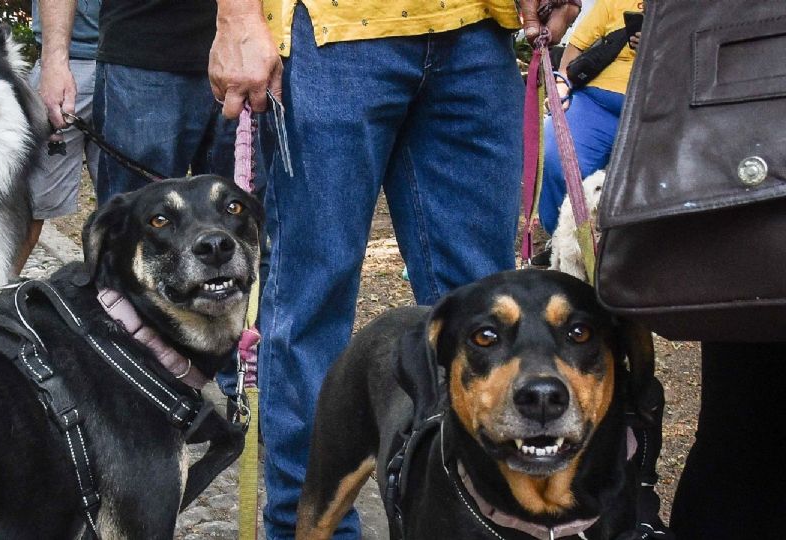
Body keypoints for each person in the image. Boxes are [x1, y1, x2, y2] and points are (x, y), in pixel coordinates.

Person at [209, 1, 580, 537]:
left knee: (488, 319)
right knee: (311, 303)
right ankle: (308, 527)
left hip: (477, 29)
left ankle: (479, 523)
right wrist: (237, 16)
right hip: (331, 35)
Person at [40, 0, 237, 207]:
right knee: (136, 218)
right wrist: (54, 61)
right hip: (141, 60)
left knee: (240, 219)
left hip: (243, 58)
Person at [533, 0, 642, 264]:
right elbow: (576, 47)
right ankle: (561, 239)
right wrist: (562, 85)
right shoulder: (614, 3)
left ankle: (631, 251)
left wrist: (661, 47)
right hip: (596, 101)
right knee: (556, 149)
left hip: (657, 107)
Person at [14, 0, 101, 274]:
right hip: (66, 63)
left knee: (128, 203)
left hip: (137, 63)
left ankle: (111, 301)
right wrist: (54, 62)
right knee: (27, 207)